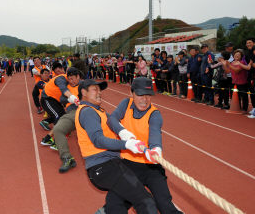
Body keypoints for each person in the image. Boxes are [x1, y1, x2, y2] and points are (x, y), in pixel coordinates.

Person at [75, 79, 157, 214]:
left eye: (100, 89)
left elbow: (112, 121)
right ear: (83, 92)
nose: (99, 92)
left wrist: (124, 133)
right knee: (145, 201)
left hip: (106, 165)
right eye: (95, 89)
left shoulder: (97, 110)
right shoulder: (88, 112)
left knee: (120, 201)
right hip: (104, 166)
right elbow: (98, 140)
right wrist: (127, 144)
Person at [107, 77, 183, 214]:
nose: (145, 99)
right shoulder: (126, 104)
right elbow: (112, 119)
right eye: (140, 95)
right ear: (132, 93)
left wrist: (156, 149)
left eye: (148, 95)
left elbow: (155, 134)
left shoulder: (155, 114)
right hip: (128, 165)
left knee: (164, 204)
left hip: (150, 166)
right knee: (115, 203)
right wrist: (123, 133)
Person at [40, 67, 81, 173]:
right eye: (69, 79)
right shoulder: (63, 82)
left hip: (86, 111)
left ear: (78, 77)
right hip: (66, 109)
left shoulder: (84, 85)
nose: (71, 81)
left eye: (73, 79)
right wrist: (72, 98)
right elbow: (63, 95)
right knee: (59, 125)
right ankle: (66, 157)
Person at [39, 62, 76, 130]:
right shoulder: (61, 78)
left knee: (62, 115)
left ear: (63, 69)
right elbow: (63, 89)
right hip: (47, 99)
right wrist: (72, 98)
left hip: (55, 100)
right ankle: (55, 135)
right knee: (58, 116)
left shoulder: (70, 80)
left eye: (59, 71)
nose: (58, 73)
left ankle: (45, 122)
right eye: (56, 72)